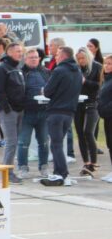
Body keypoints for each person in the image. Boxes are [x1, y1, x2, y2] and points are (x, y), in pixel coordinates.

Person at [41, 46, 81, 187]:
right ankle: (58, 172)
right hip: (69, 112)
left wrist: (44, 89)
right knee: (57, 143)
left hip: (56, 111)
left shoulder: (59, 70)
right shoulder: (78, 71)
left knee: (56, 144)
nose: (55, 57)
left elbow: (48, 91)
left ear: (63, 56)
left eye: (57, 55)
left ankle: (63, 173)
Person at [0, 43, 26, 184]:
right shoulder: (2, 68)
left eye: (21, 51)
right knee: (11, 142)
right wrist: (6, 108)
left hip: (19, 109)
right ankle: (7, 172)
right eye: (18, 51)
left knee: (15, 141)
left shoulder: (17, 67)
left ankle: (10, 169)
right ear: (10, 52)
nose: (20, 53)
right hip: (8, 110)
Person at [18, 49, 51, 178]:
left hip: (43, 112)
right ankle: (23, 168)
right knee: (23, 142)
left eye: (36, 57)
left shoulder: (46, 72)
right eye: (31, 57)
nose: (34, 59)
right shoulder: (20, 72)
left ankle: (44, 167)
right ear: (25, 59)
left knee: (43, 141)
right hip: (27, 112)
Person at [75, 47, 102, 177]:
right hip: (78, 103)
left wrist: (86, 81)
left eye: (83, 58)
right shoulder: (76, 68)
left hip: (93, 102)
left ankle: (94, 162)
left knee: (88, 131)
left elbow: (100, 85)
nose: (81, 61)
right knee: (80, 133)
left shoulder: (97, 67)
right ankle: (86, 162)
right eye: (78, 59)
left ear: (88, 56)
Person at [99, 55, 112, 183]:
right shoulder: (106, 79)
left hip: (110, 114)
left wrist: (106, 108)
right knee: (110, 144)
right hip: (107, 117)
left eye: (110, 64)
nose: (107, 66)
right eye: (106, 63)